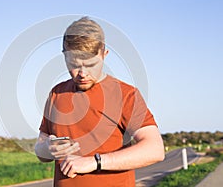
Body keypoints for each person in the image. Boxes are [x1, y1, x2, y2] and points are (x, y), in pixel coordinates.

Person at [34, 16, 164, 187]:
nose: (82, 73)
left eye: (90, 65)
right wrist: (49, 149)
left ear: (104, 54)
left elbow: (155, 149)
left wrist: (95, 162)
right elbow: (40, 150)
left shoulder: (126, 95)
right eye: (74, 64)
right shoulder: (56, 94)